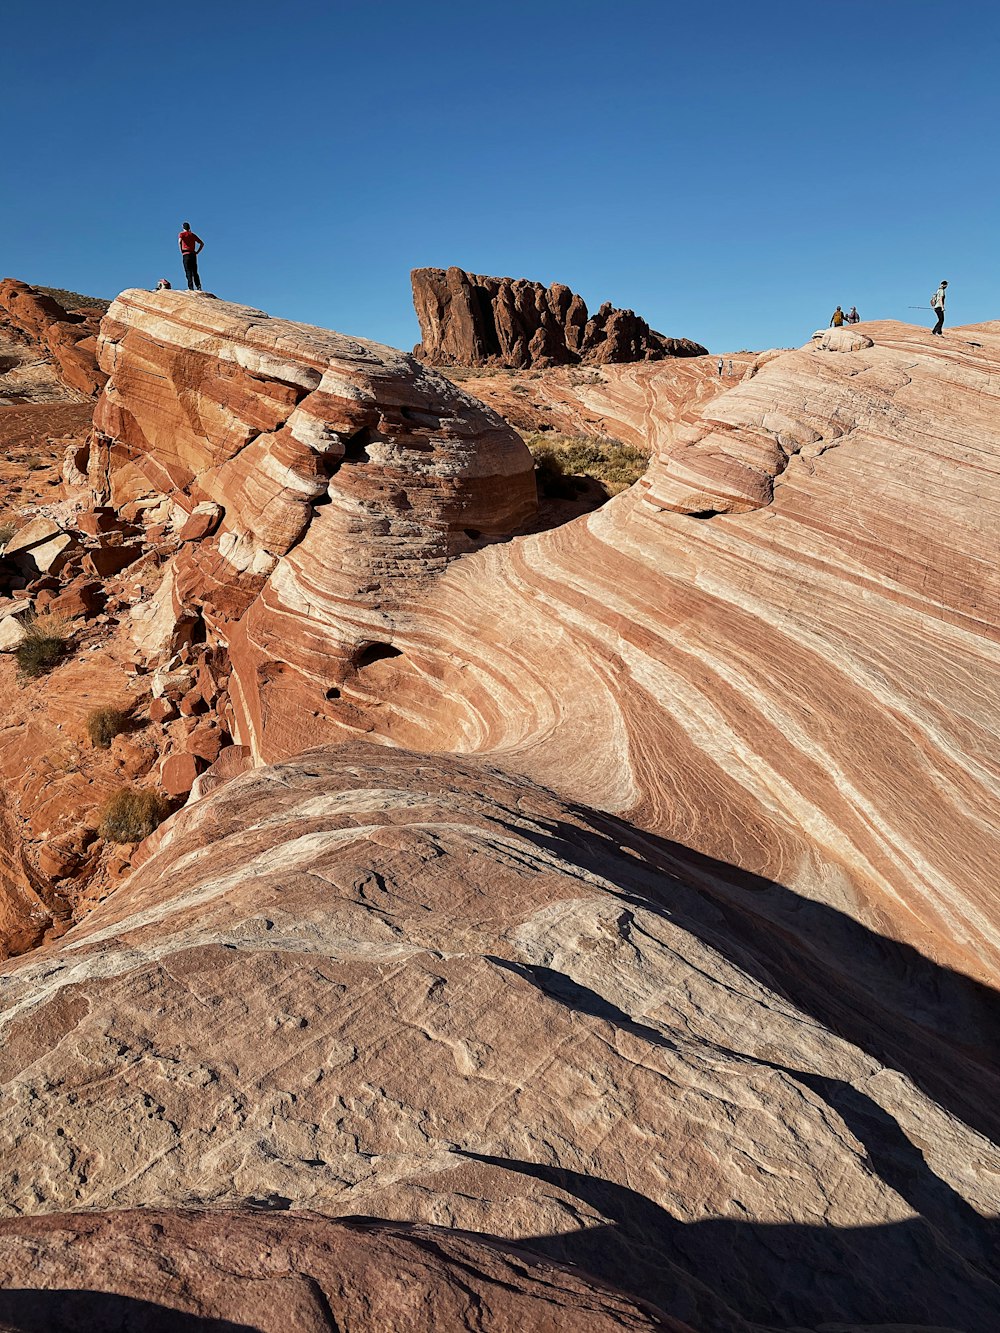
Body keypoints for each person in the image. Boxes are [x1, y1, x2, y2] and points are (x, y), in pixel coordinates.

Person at [178, 222, 205, 291]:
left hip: (185, 253)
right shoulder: (192, 235)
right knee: (195, 271)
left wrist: (181, 249)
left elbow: (179, 241)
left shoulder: (182, 234)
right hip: (193, 254)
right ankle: (198, 286)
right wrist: (197, 252)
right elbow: (202, 243)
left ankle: (191, 287)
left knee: (188, 271)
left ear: (183, 227)